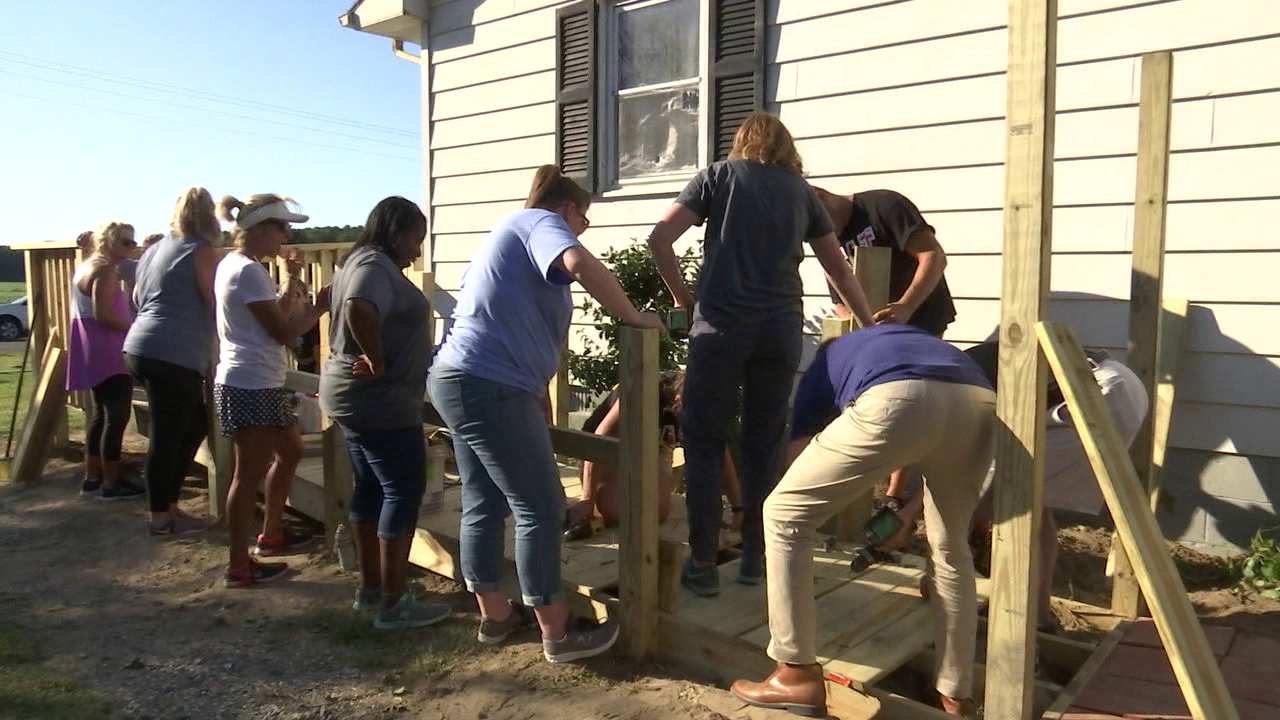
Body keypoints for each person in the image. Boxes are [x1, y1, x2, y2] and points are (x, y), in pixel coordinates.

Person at [429, 165, 664, 662]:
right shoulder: (539, 222)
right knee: (539, 507)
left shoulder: (511, 238)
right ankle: (558, 632)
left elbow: (510, 320)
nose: (583, 229)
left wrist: (538, 398)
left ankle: (496, 617)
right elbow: (579, 262)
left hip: (464, 379)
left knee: (483, 501)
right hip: (489, 385)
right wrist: (634, 316)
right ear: (568, 209)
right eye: (584, 219)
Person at [646, 112, 874, 597]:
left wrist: (683, 298)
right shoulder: (802, 193)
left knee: (705, 441)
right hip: (779, 331)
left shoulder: (717, 177)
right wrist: (870, 326)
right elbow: (839, 269)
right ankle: (755, 555)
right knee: (764, 442)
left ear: (741, 143)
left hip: (720, 329)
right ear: (787, 149)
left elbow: (660, 238)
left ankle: (703, 563)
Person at [730, 325, 996, 717]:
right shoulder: (898, 342)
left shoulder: (824, 365)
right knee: (950, 548)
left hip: (898, 398)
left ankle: (795, 673)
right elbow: (922, 428)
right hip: (979, 403)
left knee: (784, 514)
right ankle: (955, 694)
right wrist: (895, 504)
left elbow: (798, 457)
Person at [321, 196, 449, 629]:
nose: (417, 249)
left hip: (356, 398)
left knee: (371, 488)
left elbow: (339, 301)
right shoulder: (374, 265)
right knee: (403, 490)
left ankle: (372, 589)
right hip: (379, 401)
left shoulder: (357, 260)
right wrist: (376, 359)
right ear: (395, 233)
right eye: (415, 239)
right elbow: (359, 306)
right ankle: (393, 604)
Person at [814, 186, 959, 563]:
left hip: (920, 318)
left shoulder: (883, 206)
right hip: (877, 331)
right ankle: (870, 491)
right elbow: (840, 302)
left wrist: (906, 306)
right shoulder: (823, 235)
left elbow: (934, 257)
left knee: (910, 403)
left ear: (821, 196)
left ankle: (894, 494)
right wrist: (859, 337)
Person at [964, 339, 1149, 632]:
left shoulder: (956, 385)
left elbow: (958, 467)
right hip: (1116, 384)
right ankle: (1036, 613)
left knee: (1012, 502)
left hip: (1098, 392)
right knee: (1032, 505)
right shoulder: (960, 371)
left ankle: (1017, 614)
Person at [214, 194, 329, 588]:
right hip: (250, 383)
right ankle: (238, 565)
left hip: (262, 381)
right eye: (282, 226)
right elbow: (282, 331)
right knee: (247, 476)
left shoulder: (239, 266)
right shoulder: (247, 271)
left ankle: (272, 533)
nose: (287, 234)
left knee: (291, 451)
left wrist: (291, 281)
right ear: (261, 228)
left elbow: (277, 312)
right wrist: (320, 307)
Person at [125, 187, 221, 537]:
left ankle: (168, 505)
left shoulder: (154, 250)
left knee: (193, 425)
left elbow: (137, 296)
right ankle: (160, 518)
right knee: (166, 437)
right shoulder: (202, 251)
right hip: (173, 354)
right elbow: (215, 302)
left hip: (140, 346)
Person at [563, 370, 743, 534]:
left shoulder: (704, 401)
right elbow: (599, 439)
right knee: (616, 512)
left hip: (656, 445)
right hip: (612, 445)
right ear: (678, 400)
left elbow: (718, 451)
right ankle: (592, 508)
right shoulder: (643, 389)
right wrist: (588, 498)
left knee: (654, 514)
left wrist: (738, 508)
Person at [66, 221, 144, 501]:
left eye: (133, 241)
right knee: (116, 417)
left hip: (90, 346)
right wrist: (135, 327)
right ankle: (111, 483)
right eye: (126, 242)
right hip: (109, 349)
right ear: (109, 242)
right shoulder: (105, 270)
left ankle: (92, 478)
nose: (132, 247)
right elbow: (103, 315)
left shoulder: (88, 265)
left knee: (100, 414)